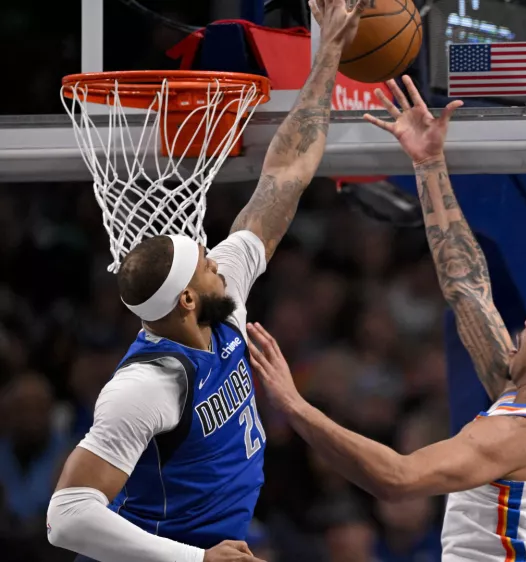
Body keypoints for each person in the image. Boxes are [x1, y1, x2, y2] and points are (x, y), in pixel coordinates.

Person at [244, 76, 526, 561]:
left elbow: (397, 479)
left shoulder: (521, 434)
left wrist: (292, 403)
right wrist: (428, 162)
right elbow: (467, 287)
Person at [44, 1, 365, 560]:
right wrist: (196, 560)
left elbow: (283, 180)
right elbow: (66, 519)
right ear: (188, 298)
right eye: (206, 264)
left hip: (227, 538)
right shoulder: (144, 387)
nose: (218, 260)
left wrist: (330, 51)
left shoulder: (221, 299)